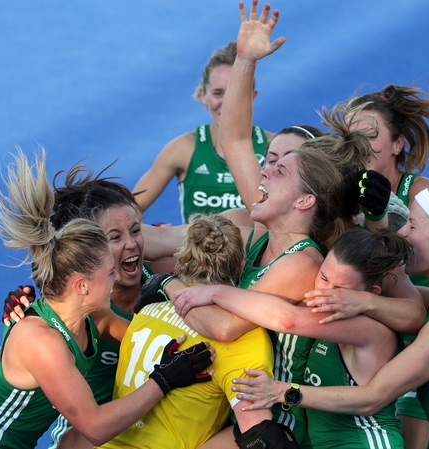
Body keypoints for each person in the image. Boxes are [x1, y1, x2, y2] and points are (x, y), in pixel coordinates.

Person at [139, 2, 379, 442]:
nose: (263, 170)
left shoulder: (301, 262)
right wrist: (246, 60)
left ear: (305, 200)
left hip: (290, 425)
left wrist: (168, 286)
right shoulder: (265, 227)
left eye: (279, 169)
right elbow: (233, 139)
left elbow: (226, 326)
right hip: (253, 410)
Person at [231, 184, 429, 449]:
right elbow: (406, 299)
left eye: (412, 224)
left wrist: (282, 392)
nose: (405, 234)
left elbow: (372, 397)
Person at [0, 151, 213, 449]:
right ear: (81, 285)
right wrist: (164, 380)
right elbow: (95, 426)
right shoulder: (43, 341)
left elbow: (146, 339)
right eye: (109, 274)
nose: (116, 279)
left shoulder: (92, 319)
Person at [173, 228, 415, 448]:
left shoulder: (368, 328)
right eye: (323, 277)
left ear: (368, 295)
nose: (324, 292)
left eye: (339, 290)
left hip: (365, 441)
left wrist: (215, 292)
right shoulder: (326, 315)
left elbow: (287, 319)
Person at [1, 163, 157, 449]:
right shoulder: (78, 311)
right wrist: (164, 380)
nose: (132, 244)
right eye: (114, 238)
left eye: (136, 231)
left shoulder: (161, 277)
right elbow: (94, 428)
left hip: (142, 420)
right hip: (85, 434)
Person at [100, 214, 286, 449]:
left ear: (181, 261)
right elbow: (258, 434)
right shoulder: (243, 336)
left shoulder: (149, 305)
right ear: (241, 265)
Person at [343, 84, 429, 448]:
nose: (358, 148)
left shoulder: (424, 195)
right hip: (360, 350)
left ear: (398, 144)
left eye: (370, 136)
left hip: (421, 350)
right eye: (350, 137)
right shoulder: (340, 193)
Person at [133, 41, 273, 223]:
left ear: (252, 96)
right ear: (204, 95)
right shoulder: (183, 149)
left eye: (236, 92)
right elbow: (131, 208)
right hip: (198, 251)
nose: (228, 102)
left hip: (257, 252)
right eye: (218, 93)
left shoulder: (275, 149)